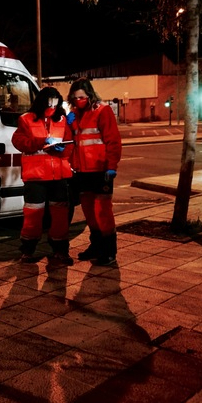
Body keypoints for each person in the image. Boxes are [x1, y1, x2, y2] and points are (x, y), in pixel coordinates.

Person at [11, 87, 75, 264]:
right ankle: (28, 250)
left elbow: (69, 145)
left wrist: (63, 150)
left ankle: (60, 250)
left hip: (58, 175)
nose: (53, 103)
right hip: (36, 176)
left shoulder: (63, 120)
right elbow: (18, 141)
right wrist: (40, 142)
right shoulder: (26, 119)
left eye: (56, 100)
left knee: (60, 215)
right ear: (42, 100)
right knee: (33, 214)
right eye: (50, 100)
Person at [66, 77, 122, 266]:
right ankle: (96, 246)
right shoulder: (74, 114)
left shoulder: (102, 111)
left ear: (89, 95)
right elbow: (73, 142)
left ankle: (109, 251)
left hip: (101, 170)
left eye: (81, 97)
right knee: (90, 212)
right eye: (74, 98)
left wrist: (112, 166)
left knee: (102, 212)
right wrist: (69, 124)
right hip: (83, 171)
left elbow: (112, 141)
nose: (78, 101)